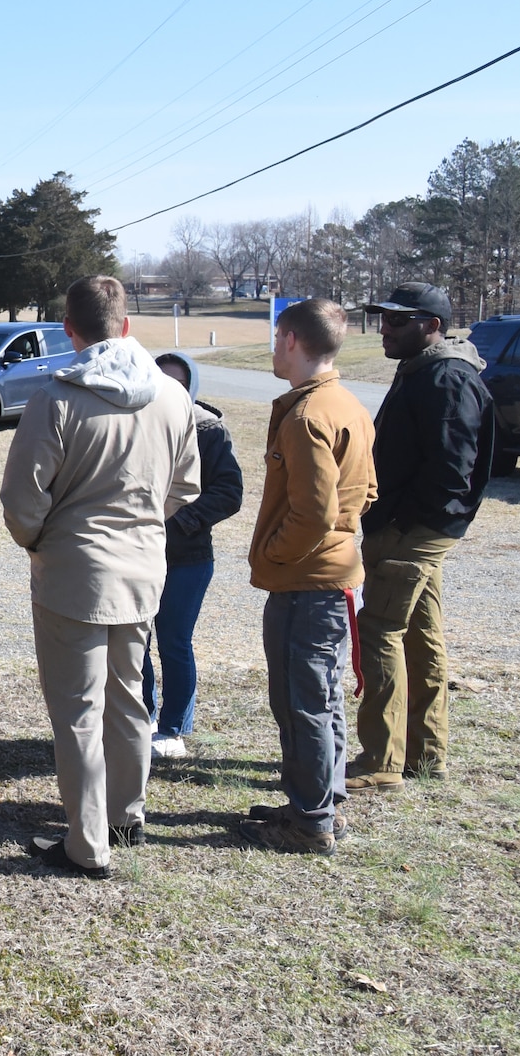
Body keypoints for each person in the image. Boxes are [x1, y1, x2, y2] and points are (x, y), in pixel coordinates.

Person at [1, 275, 199, 879]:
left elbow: (20, 499)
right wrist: (139, 526)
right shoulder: (173, 397)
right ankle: (125, 815)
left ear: (69, 328)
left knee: (78, 710)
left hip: (73, 574)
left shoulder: (57, 397)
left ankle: (87, 844)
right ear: (127, 325)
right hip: (142, 571)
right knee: (129, 699)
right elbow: (185, 486)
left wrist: (44, 542)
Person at [240, 299, 376, 856]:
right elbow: (365, 493)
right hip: (330, 577)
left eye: (276, 339)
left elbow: (316, 512)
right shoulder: (347, 403)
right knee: (319, 698)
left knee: (305, 702)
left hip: (310, 583)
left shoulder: (307, 416)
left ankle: (310, 822)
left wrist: (275, 551)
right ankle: (320, 802)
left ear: (292, 340)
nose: (274, 348)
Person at [347, 283, 494, 792]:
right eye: (382, 319)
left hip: (414, 530)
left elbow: (454, 472)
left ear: (430, 325)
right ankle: (427, 755)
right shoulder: (424, 370)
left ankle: (381, 762)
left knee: (379, 630)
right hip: (412, 527)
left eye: (397, 321)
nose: (384, 329)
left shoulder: (447, 378)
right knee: (418, 633)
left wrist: (404, 525)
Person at [143, 352, 244, 759]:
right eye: (160, 380)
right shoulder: (138, 421)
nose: (168, 390)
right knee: (135, 641)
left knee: (174, 641)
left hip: (188, 559)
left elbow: (229, 493)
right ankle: (143, 717)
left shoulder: (209, 430)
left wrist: (183, 520)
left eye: (177, 383)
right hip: (139, 553)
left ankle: (173, 728)